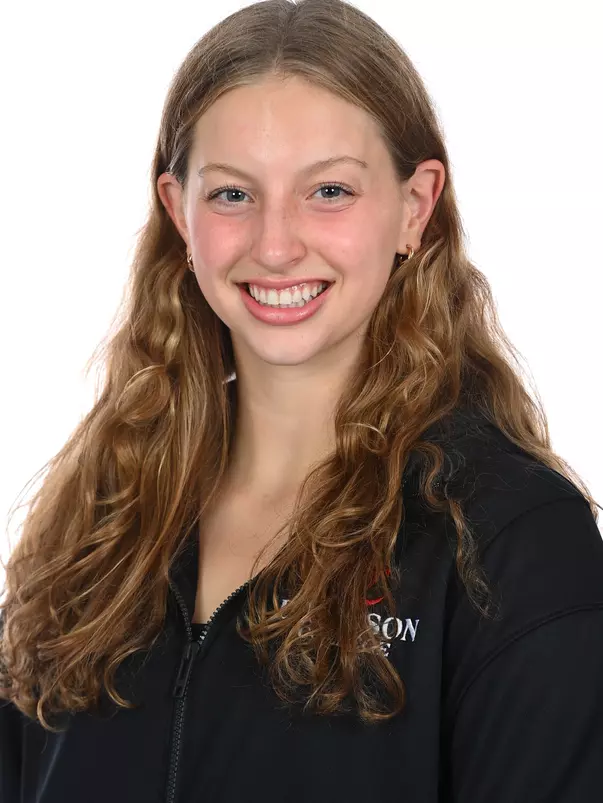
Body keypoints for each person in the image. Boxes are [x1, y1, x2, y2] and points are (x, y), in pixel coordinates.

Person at [1, 0, 602, 800]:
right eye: (232, 196)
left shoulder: (509, 543)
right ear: (178, 210)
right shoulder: (102, 523)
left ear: (414, 207)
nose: (276, 245)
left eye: (327, 190)